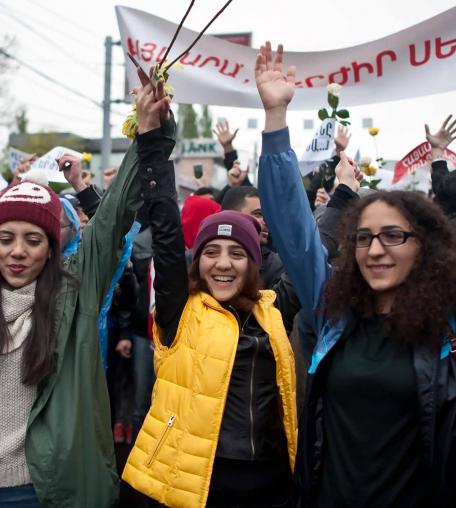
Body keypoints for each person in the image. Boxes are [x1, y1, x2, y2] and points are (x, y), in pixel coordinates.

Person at [256, 41, 456, 508]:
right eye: (364, 238)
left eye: (393, 236)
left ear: (423, 246)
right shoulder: (333, 313)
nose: (376, 250)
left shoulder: (446, 325)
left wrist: (442, 160)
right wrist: (275, 120)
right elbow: (293, 228)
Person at [122, 69, 301, 508]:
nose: (223, 263)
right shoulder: (178, 309)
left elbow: (303, 239)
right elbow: (165, 228)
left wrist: (276, 114)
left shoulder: (274, 309)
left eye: (236, 253)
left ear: (255, 262)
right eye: (211, 252)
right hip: (190, 487)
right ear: (196, 260)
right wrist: (151, 137)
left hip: (272, 483)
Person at [0, 92, 159, 505]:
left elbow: (111, 225)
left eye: (33, 240)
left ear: (52, 249)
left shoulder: (74, 295)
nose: (18, 251)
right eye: (5, 239)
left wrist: (147, 132)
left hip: (44, 489)